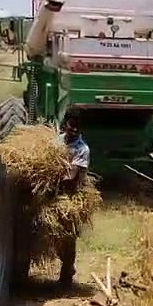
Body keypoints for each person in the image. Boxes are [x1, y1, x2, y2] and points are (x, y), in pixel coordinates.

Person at [57, 112, 90, 287]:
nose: (74, 129)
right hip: (54, 192)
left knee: (68, 237)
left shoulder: (82, 149)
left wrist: (50, 178)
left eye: (78, 127)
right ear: (65, 125)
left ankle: (67, 271)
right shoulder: (55, 141)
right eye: (71, 125)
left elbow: (71, 177)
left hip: (71, 196)